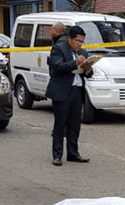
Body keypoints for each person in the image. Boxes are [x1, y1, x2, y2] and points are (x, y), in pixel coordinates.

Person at [46, 26, 93, 166]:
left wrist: (88, 68)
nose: (80, 44)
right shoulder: (58, 49)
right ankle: (57, 155)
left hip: (77, 92)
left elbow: (90, 74)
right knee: (60, 125)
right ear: (69, 39)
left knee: (75, 125)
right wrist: (75, 63)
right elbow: (57, 67)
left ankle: (73, 153)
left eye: (82, 41)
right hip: (62, 91)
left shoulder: (83, 52)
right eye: (77, 41)